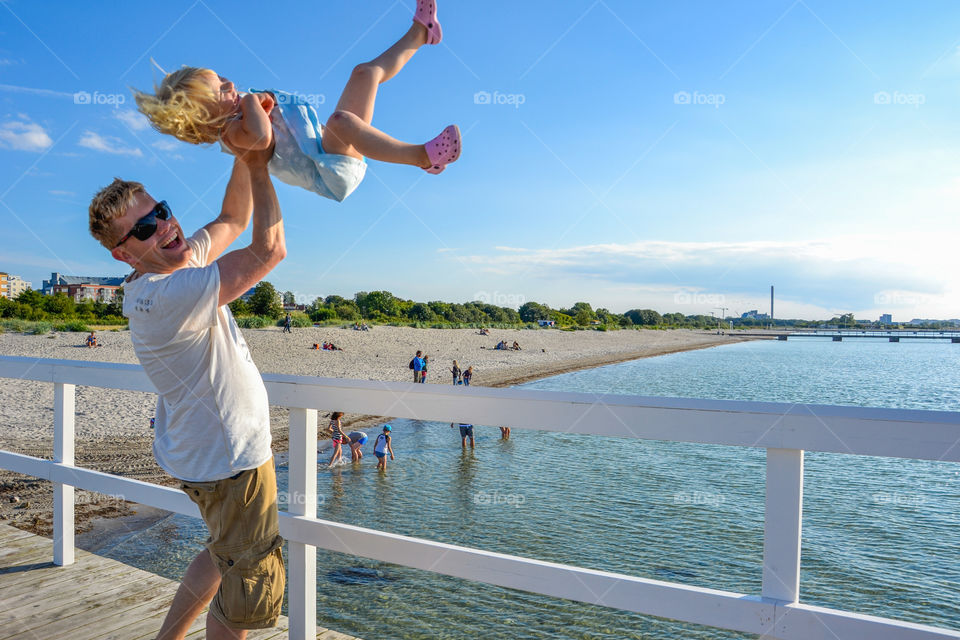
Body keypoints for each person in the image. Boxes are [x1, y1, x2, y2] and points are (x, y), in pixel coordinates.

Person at [88, 138, 286, 638]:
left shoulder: (175, 267)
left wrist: (243, 147)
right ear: (123, 253)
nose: (164, 226)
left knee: (223, 553)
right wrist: (260, 163)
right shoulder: (166, 293)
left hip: (208, 456)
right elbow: (269, 250)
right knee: (243, 595)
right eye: (144, 228)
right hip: (230, 461)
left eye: (161, 211)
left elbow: (233, 218)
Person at [133, 3, 460, 205]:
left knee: (364, 73)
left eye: (221, 78)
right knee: (342, 121)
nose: (230, 84)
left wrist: (257, 101)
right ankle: (422, 157)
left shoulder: (239, 111)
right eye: (220, 90)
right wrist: (253, 101)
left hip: (328, 147)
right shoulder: (231, 133)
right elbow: (261, 137)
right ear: (205, 121)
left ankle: (420, 33)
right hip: (329, 171)